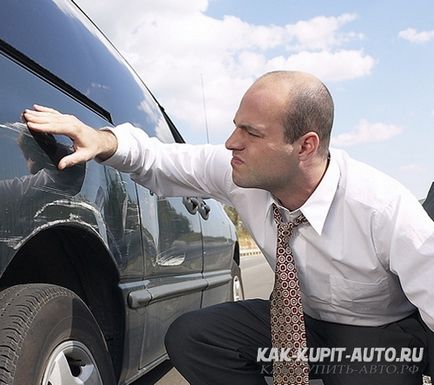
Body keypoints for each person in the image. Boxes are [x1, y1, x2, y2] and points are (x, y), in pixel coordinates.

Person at [23, 71, 434, 385]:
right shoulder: (242, 171)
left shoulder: (382, 208)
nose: (231, 143)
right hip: (304, 324)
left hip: (378, 335)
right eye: (237, 125)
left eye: (251, 133)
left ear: (305, 146)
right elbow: (160, 160)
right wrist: (100, 140)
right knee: (194, 336)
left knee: (369, 369)